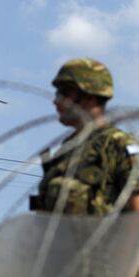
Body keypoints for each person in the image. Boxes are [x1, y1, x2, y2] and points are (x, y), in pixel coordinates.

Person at [30, 58, 139, 215]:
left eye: (64, 93)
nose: (56, 101)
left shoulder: (119, 145)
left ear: (89, 96)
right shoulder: (67, 150)